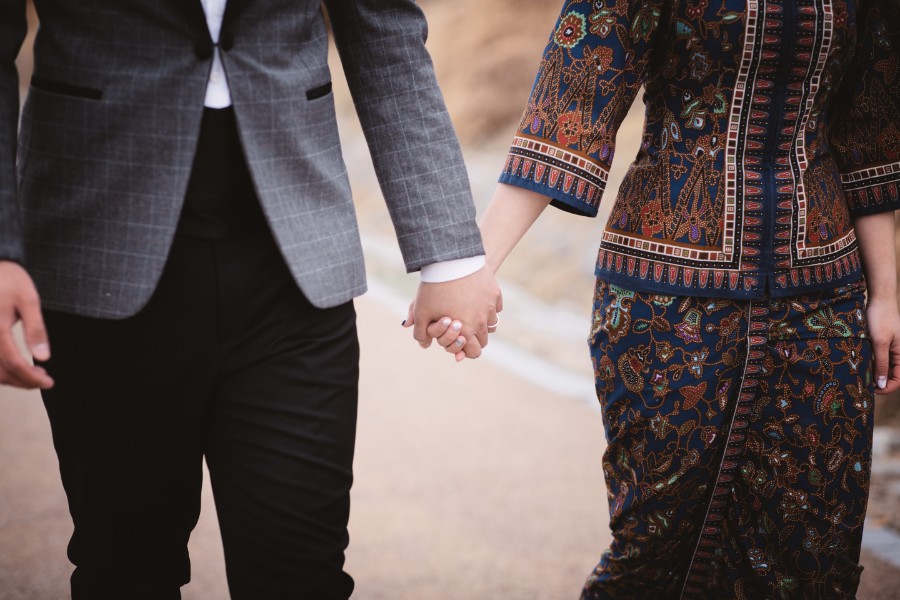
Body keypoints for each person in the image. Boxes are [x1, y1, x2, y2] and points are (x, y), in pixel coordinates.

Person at [0, 1, 501, 598]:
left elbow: (384, 31)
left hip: (295, 264)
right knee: (125, 565)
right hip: (100, 250)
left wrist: (451, 253)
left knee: (300, 574)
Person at [423, 0, 900, 597]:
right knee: (656, 547)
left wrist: (886, 295)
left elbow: (871, 131)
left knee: (812, 549)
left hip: (826, 302)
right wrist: (476, 269)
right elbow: (572, 102)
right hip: (665, 302)